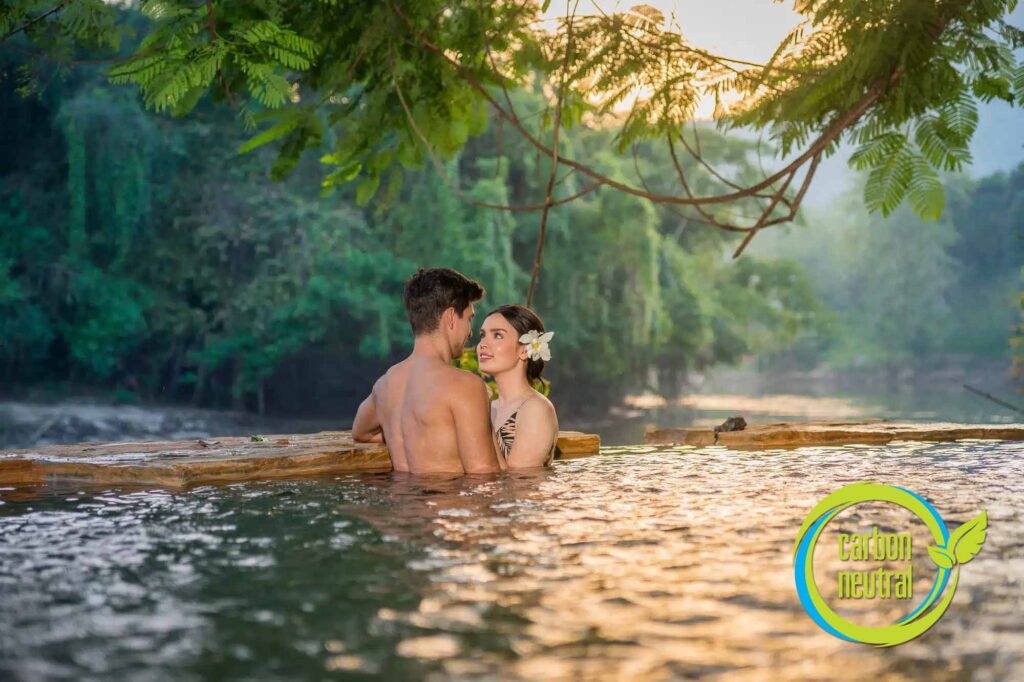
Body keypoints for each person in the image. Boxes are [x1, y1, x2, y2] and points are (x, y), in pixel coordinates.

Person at [352, 268, 505, 475]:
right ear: (450, 317)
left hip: (404, 503)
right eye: (469, 319)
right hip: (449, 503)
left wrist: (412, 434)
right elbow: (485, 476)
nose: (470, 331)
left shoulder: (385, 385)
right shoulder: (463, 386)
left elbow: (361, 432)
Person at [476, 304, 559, 468]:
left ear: (523, 351)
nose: (482, 344)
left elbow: (517, 482)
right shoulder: (490, 406)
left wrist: (482, 415)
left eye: (497, 335)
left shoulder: (535, 409)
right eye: (482, 335)